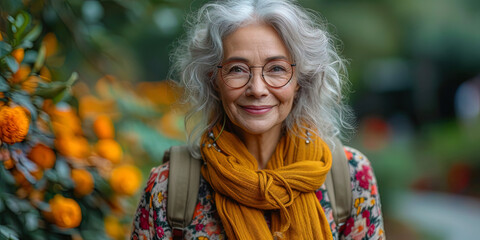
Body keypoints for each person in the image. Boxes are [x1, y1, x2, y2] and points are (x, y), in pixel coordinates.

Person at [131, 0, 385, 239]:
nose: (257, 89)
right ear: (214, 80)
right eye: (237, 69)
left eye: (276, 69)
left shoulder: (351, 177)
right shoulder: (169, 187)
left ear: (300, 81)